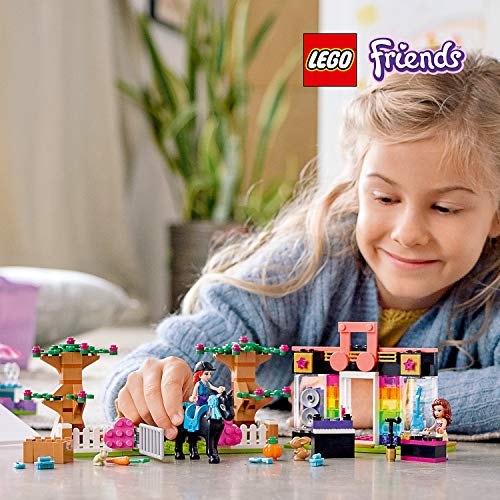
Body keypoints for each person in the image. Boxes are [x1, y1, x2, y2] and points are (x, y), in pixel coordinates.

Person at [104, 52, 500, 441]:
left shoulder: (490, 288)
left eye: (445, 208)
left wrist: (386, 399)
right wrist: (148, 385)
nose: (408, 233)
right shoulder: (305, 264)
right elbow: (179, 350)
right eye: (384, 197)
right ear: (357, 189)